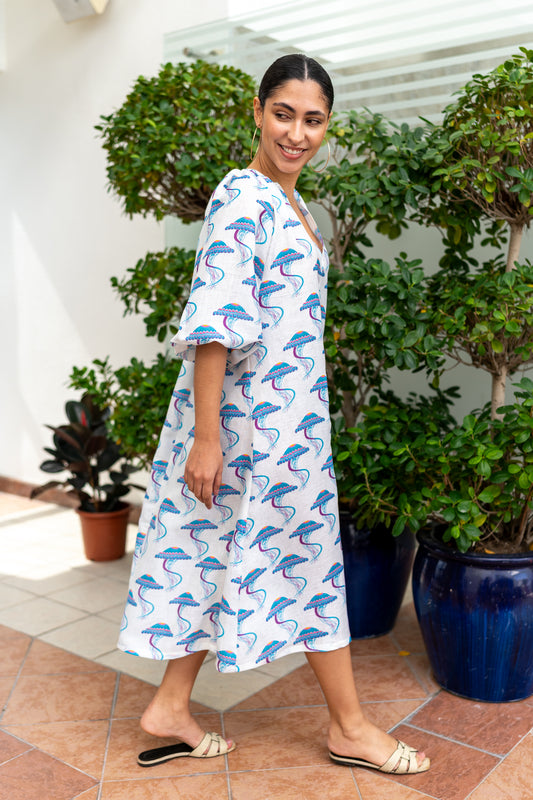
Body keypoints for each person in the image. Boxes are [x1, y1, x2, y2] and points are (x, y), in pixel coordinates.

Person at [118, 53, 430, 775]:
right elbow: (216, 322)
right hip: (246, 427)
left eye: (313, 120)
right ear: (257, 112)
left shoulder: (296, 206)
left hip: (288, 425)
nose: (296, 133)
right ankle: (350, 727)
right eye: (283, 114)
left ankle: (170, 705)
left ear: (328, 126)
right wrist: (206, 439)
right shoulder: (242, 194)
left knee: (214, 554)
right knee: (309, 564)